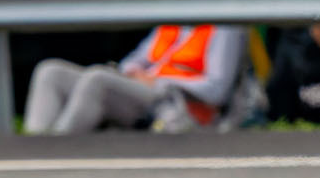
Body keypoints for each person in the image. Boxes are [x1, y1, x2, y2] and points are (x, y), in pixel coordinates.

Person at [23, 24, 248, 135]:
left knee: (97, 79)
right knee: (50, 72)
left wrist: (159, 82)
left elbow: (217, 90)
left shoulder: (224, 27)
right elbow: (131, 62)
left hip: (177, 104)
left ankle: (56, 150)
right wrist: (134, 73)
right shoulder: (174, 22)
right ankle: (32, 149)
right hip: (144, 91)